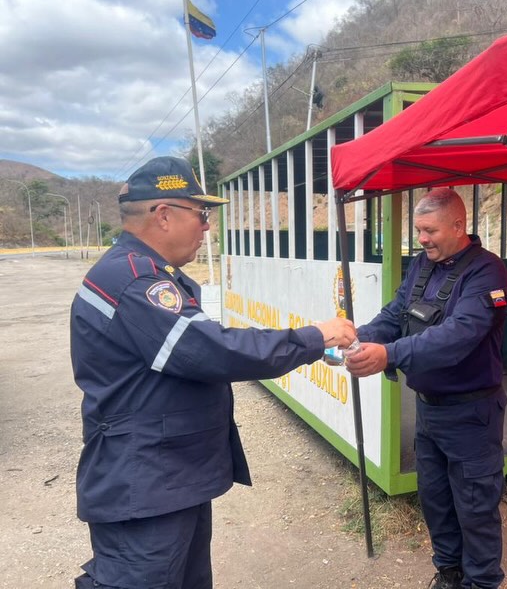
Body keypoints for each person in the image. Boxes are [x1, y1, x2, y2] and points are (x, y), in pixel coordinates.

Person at [70, 156, 356, 589]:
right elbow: (211, 351)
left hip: (167, 476)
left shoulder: (146, 272)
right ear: (163, 215)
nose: (206, 227)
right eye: (201, 215)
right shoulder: (135, 280)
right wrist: (314, 336)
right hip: (145, 482)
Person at [345, 189, 507, 589]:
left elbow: (458, 336)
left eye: (429, 230)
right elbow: (395, 313)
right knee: (435, 500)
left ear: (458, 226)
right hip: (429, 410)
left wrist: (387, 354)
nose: (422, 239)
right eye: (418, 230)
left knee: (475, 507)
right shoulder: (423, 265)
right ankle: (449, 573)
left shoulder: (487, 272)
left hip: (472, 413)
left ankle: (482, 583)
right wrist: (356, 338)